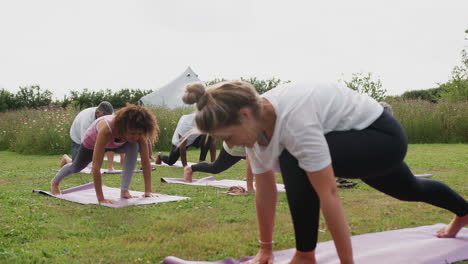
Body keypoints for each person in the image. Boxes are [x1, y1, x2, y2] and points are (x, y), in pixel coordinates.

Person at [183, 80, 468, 264]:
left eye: (227, 136)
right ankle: (464, 212)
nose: (229, 144)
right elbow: (265, 192)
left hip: (382, 136)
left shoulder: (293, 120)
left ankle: (306, 255)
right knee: (409, 189)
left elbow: (328, 192)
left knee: (294, 157)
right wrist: (265, 250)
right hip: (351, 141)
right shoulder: (255, 128)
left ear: (244, 115)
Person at [51, 104, 160, 203]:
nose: (135, 137)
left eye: (139, 133)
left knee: (133, 145)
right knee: (76, 167)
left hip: (118, 143)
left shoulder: (139, 136)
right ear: (123, 127)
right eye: (132, 133)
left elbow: (146, 163)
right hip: (92, 143)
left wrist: (148, 191)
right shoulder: (107, 130)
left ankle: (124, 191)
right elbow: (96, 167)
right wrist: (101, 199)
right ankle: (55, 182)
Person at [60, 101, 125, 171]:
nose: (107, 120)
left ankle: (110, 167)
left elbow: (115, 140)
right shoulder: (86, 121)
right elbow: (85, 144)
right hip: (77, 136)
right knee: (78, 166)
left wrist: (115, 162)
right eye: (105, 117)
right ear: (97, 113)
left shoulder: (111, 118)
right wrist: (94, 167)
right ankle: (66, 158)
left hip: (93, 133)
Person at [183, 141, 255, 191]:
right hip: (234, 149)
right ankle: (190, 169)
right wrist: (250, 188)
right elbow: (250, 163)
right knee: (216, 168)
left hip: (248, 147)